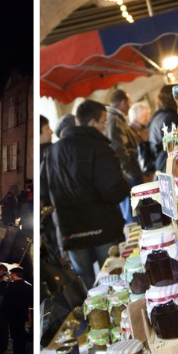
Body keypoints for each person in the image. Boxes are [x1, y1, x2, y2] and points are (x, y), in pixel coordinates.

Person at [41, 100, 129, 289]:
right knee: (114, 281)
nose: (105, 127)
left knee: (87, 286)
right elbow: (113, 191)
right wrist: (126, 185)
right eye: (103, 121)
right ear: (91, 123)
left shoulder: (52, 152)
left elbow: (44, 194)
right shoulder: (100, 148)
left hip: (70, 231)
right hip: (102, 227)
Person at [105, 89, 143, 223]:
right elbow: (118, 149)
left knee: (136, 211)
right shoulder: (114, 119)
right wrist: (132, 172)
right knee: (134, 214)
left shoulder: (116, 118)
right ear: (123, 102)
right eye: (129, 102)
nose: (130, 105)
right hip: (127, 175)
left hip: (127, 172)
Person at [1, 267, 32, 354]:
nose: (10, 276)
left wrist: (3, 282)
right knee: (21, 334)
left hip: (12, 314)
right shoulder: (29, 286)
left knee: (15, 336)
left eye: (11, 274)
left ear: (14, 275)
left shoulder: (11, 286)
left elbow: (2, 293)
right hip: (22, 314)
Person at [148, 84, 178, 172]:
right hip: (169, 163)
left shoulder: (158, 116)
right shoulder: (170, 117)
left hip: (161, 161)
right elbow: (175, 144)